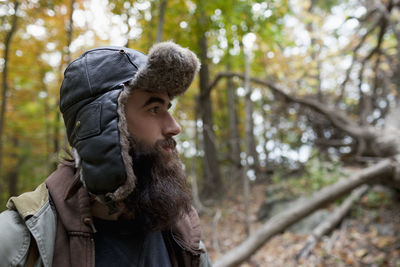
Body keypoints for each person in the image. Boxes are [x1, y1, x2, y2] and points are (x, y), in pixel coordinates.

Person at [0, 41, 212, 267]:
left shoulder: (181, 233)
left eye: (168, 108)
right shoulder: (18, 242)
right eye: (154, 109)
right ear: (103, 125)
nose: (174, 127)